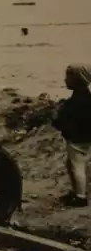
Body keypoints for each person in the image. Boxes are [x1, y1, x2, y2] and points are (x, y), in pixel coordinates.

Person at [52, 64, 91, 207]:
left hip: (76, 139)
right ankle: (77, 192)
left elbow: (63, 121)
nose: (65, 80)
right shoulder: (87, 99)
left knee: (77, 166)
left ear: (77, 80)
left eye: (68, 77)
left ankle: (80, 196)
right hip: (85, 137)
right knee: (72, 164)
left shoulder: (74, 103)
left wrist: (57, 120)